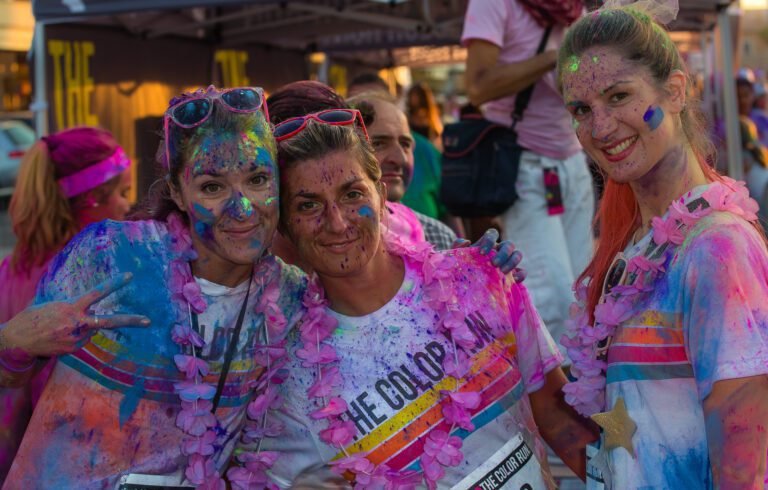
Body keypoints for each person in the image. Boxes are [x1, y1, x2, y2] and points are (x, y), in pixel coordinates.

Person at [260, 116, 597, 488]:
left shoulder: (477, 279)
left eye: (352, 194)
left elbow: (558, 417)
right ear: (285, 225)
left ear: (381, 194)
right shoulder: (291, 377)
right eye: (309, 206)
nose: (337, 223)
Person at [1, 86, 307, 488]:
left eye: (258, 179)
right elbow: (11, 379)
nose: (243, 207)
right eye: (212, 187)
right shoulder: (110, 254)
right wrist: (11, 342)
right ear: (178, 191)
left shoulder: (290, 295)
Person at [557, 5, 768, 489]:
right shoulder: (636, 248)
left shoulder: (717, 249)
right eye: (582, 110)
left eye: (619, 96)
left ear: (676, 90)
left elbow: (745, 464)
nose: (601, 127)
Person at [463, 0, 595, 356]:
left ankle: (590, 386)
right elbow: (476, 86)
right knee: (550, 297)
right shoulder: (494, 4)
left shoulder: (572, 10)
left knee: (586, 289)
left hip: (573, 164)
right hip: (524, 165)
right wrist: (552, 58)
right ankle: (560, 403)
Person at [0, 126, 132, 483]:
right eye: (121, 193)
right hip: (68, 457)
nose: (127, 205)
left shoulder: (12, 268)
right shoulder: (88, 282)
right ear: (90, 201)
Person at [348, 91, 461, 251]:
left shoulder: (438, 238)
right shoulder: (329, 240)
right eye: (379, 143)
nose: (400, 159)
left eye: (405, 144)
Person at [406, 82, 443, 149]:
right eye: (412, 95)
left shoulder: (430, 115)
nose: (413, 98)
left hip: (426, 150)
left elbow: (436, 134)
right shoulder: (407, 116)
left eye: (416, 95)